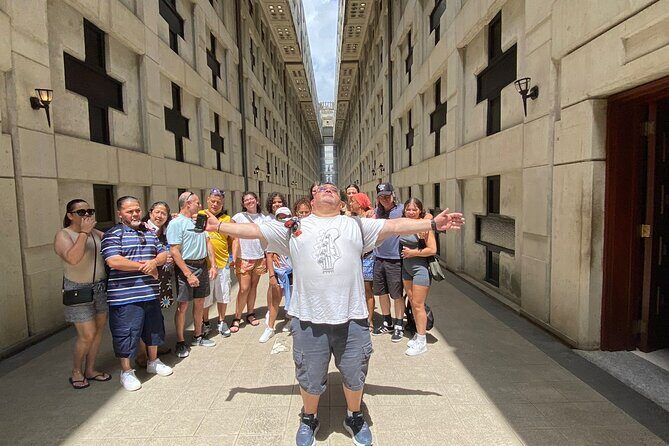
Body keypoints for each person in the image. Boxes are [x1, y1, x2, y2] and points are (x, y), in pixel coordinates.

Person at [202, 182, 464, 446]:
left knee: (355, 372)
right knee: (309, 374)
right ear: (312, 200)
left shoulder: (356, 225)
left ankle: (354, 416)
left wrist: (432, 224)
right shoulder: (293, 226)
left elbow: (395, 225)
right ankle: (309, 418)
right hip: (308, 319)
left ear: (341, 203)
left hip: (352, 319)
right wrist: (219, 227)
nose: (328, 188)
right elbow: (253, 229)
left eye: (333, 189)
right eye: (322, 188)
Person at [101, 196, 173, 391]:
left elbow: (163, 253)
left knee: (153, 329)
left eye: (137, 210)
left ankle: (153, 361)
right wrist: (145, 267)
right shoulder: (113, 234)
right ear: (120, 214)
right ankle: (126, 371)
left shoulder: (148, 232)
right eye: (129, 211)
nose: (134, 214)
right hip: (124, 296)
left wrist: (154, 262)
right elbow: (113, 261)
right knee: (125, 334)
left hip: (150, 292)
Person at [54, 199, 110, 389]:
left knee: (98, 332)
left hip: (100, 288)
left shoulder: (95, 233)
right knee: (87, 334)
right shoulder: (64, 235)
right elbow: (73, 259)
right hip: (78, 290)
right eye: (81, 212)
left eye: (89, 211)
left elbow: (114, 240)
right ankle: (76, 371)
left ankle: (91, 369)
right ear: (70, 215)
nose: (86, 215)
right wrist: (84, 233)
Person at [167, 191, 218, 358]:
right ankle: (180, 341)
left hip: (201, 265)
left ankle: (198, 335)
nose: (200, 205)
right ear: (187, 204)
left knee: (200, 302)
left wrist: (213, 265)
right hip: (186, 267)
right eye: (197, 202)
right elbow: (174, 251)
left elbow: (208, 243)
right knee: (183, 306)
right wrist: (188, 274)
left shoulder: (199, 221)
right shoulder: (176, 223)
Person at [135, 201, 173, 366]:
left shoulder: (165, 231)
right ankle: (141, 352)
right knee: (143, 316)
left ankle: (155, 345)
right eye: (157, 212)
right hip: (145, 278)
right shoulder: (141, 229)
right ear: (150, 213)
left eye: (164, 213)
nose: (160, 216)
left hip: (162, 279)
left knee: (156, 314)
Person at [399, 198, 437, 356]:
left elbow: (432, 249)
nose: (411, 212)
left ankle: (422, 341)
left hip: (420, 270)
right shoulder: (403, 223)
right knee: (412, 303)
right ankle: (417, 333)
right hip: (406, 269)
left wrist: (413, 252)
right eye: (408, 209)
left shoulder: (424, 226)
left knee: (418, 305)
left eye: (414, 209)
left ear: (420, 210)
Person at [372, 182, 405, 342]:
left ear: (393, 195)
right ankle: (387, 322)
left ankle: (399, 324)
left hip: (395, 259)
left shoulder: (402, 210)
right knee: (382, 293)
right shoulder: (376, 212)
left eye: (387, 196)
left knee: (397, 294)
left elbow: (422, 215)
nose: (384, 199)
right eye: (381, 197)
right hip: (378, 258)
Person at [230, 192, 267, 332]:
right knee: (244, 288)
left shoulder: (263, 218)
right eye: (246, 200)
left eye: (252, 199)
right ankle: (237, 317)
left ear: (257, 201)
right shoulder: (238, 217)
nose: (249, 201)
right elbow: (232, 236)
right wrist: (233, 257)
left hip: (259, 256)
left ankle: (250, 313)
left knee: (253, 287)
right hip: (243, 257)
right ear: (243, 203)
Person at [201, 188, 234, 338]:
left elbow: (233, 240)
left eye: (218, 202)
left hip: (223, 263)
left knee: (223, 295)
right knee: (206, 298)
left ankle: (221, 321)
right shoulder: (201, 215)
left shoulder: (227, 219)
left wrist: (233, 258)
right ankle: (205, 322)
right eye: (213, 201)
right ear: (208, 200)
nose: (215, 204)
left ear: (222, 203)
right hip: (205, 265)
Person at [260, 192, 290, 343]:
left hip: (291, 269)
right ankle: (270, 327)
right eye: (274, 202)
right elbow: (267, 247)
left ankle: (290, 319)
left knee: (292, 297)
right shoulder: (268, 223)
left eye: (280, 202)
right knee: (274, 294)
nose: (277, 204)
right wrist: (271, 273)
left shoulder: (293, 227)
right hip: (277, 267)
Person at [349, 192, 376, 331]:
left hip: (368, 257)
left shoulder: (371, 217)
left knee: (367, 289)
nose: (350, 204)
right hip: (354, 257)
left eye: (353, 201)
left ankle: (370, 320)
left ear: (360, 204)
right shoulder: (350, 218)